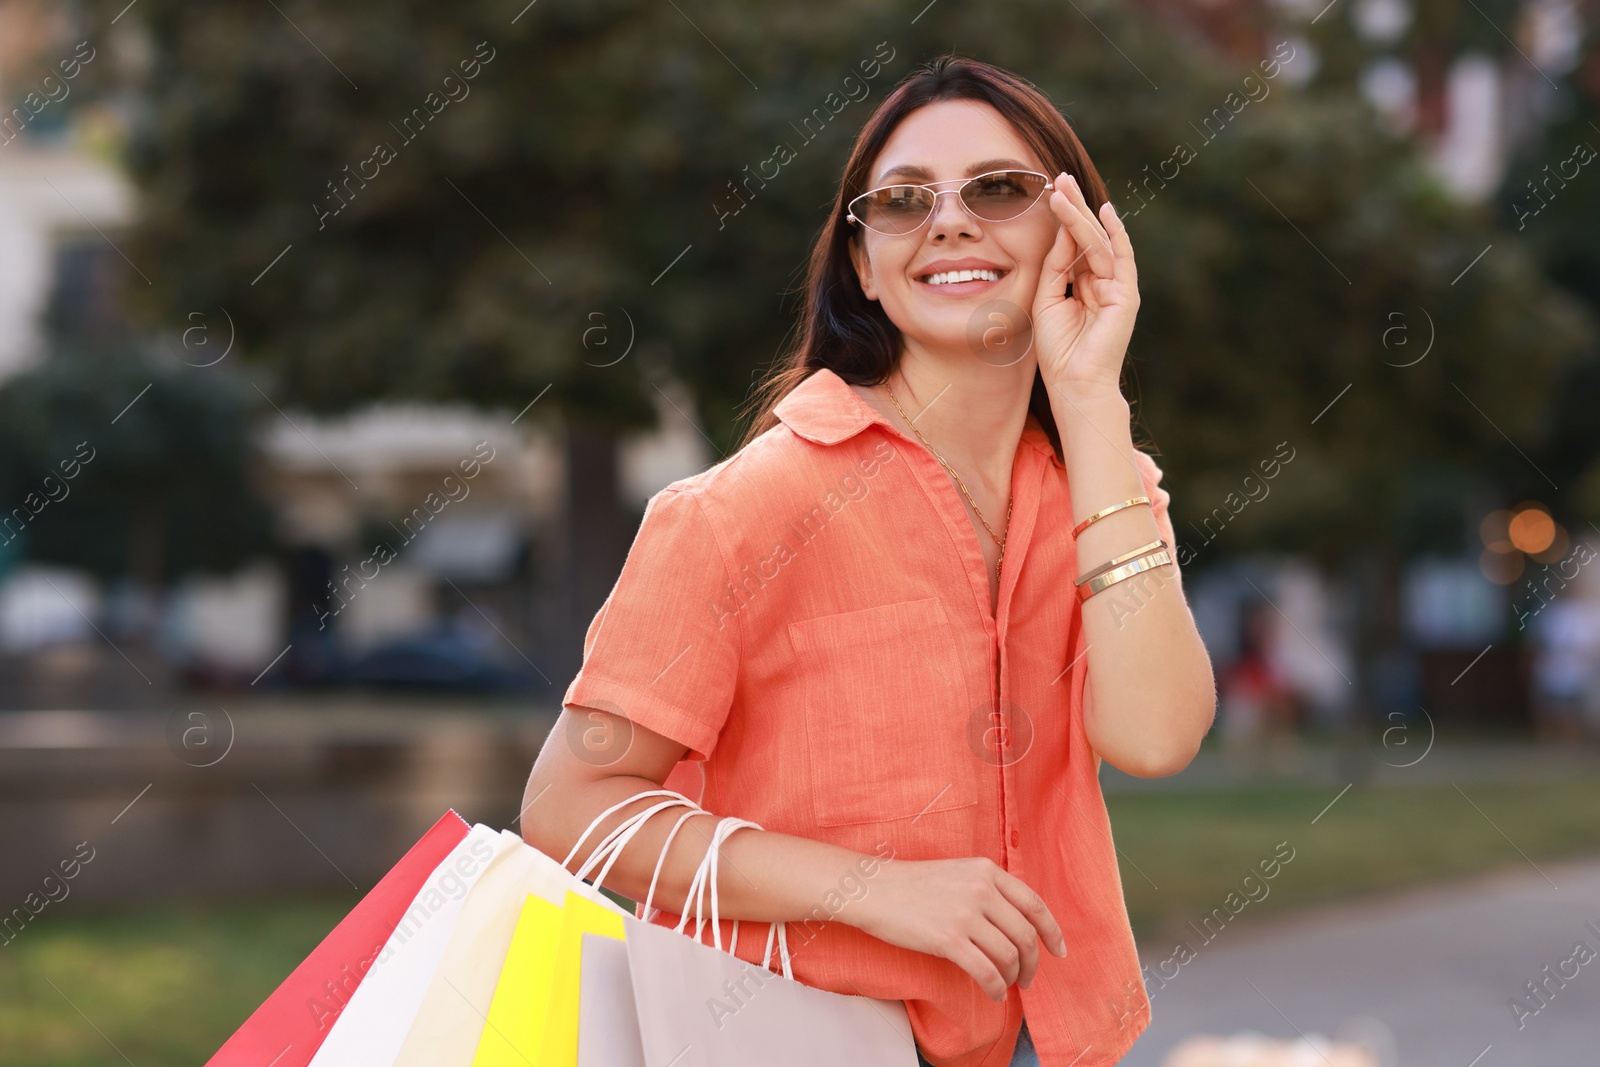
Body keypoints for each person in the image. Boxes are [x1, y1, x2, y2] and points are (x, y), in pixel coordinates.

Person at [521, 55, 1216, 1067]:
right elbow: (567, 804)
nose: (948, 220)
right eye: (899, 201)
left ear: (1074, 233)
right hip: (787, 1034)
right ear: (860, 263)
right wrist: (874, 887)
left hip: (1045, 1039)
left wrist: (1090, 392)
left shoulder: (1102, 487)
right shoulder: (743, 508)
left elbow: (1155, 735)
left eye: (1000, 188)